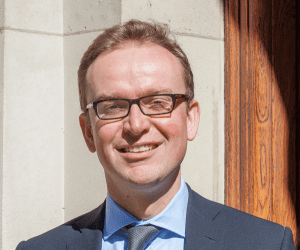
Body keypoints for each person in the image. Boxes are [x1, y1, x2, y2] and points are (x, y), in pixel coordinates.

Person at [16, 19, 295, 250]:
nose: (136, 125)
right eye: (112, 106)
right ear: (88, 132)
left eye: (158, 103)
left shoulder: (265, 243)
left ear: (190, 119)